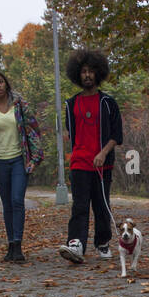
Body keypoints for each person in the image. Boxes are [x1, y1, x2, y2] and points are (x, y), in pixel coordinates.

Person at [59, 48, 123, 264]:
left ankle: (102, 242)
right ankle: (75, 244)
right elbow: (71, 132)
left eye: (91, 71)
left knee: (102, 205)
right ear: (78, 74)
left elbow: (117, 135)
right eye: (83, 71)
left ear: (98, 73)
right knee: (79, 205)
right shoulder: (71, 104)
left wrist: (103, 153)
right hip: (79, 162)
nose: (87, 75)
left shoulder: (108, 103)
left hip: (101, 163)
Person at [0, 70, 43, 262]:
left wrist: (35, 158)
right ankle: (11, 246)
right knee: (7, 204)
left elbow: (34, 131)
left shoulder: (20, 105)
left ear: (6, 84)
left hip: (18, 160)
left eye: (1, 81)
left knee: (17, 200)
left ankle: (18, 245)